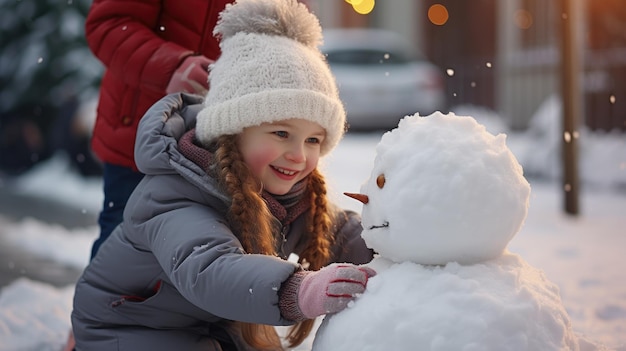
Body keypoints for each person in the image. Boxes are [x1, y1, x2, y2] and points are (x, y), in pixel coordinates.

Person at [70, 0, 375, 350]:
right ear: (232, 132)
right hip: (131, 330)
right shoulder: (176, 197)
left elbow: (338, 233)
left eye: (313, 140)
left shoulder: (282, 190)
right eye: (281, 133)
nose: (298, 154)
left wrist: (396, 239)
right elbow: (211, 271)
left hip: (206, 326)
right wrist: (300, 291)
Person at [84, 0, 234, 260]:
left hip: (228, 142)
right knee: (122, 256)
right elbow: (108, 25)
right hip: (142, 138)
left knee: (207, 262)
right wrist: (170, 65)